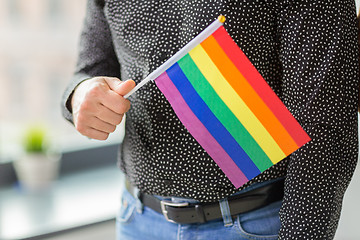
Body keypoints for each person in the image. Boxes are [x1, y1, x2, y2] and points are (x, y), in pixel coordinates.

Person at [62, 1, 359, 239]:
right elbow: (90, 68)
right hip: (137, 219)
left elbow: (327, 126)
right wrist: (79, 95)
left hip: (257, 224)